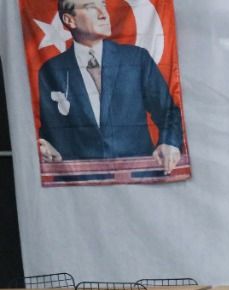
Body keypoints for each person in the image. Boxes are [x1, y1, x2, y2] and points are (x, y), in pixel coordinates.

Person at [37, 0, 184, 171]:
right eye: (91, 7)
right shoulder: (51, 70)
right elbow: (50, 131)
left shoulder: (137, 59)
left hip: (140, 175)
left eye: (103, 5)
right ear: (70, 20)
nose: (104, 14)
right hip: (83, 180)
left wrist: (169, 142)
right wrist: (48, 148)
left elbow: (169, 112)